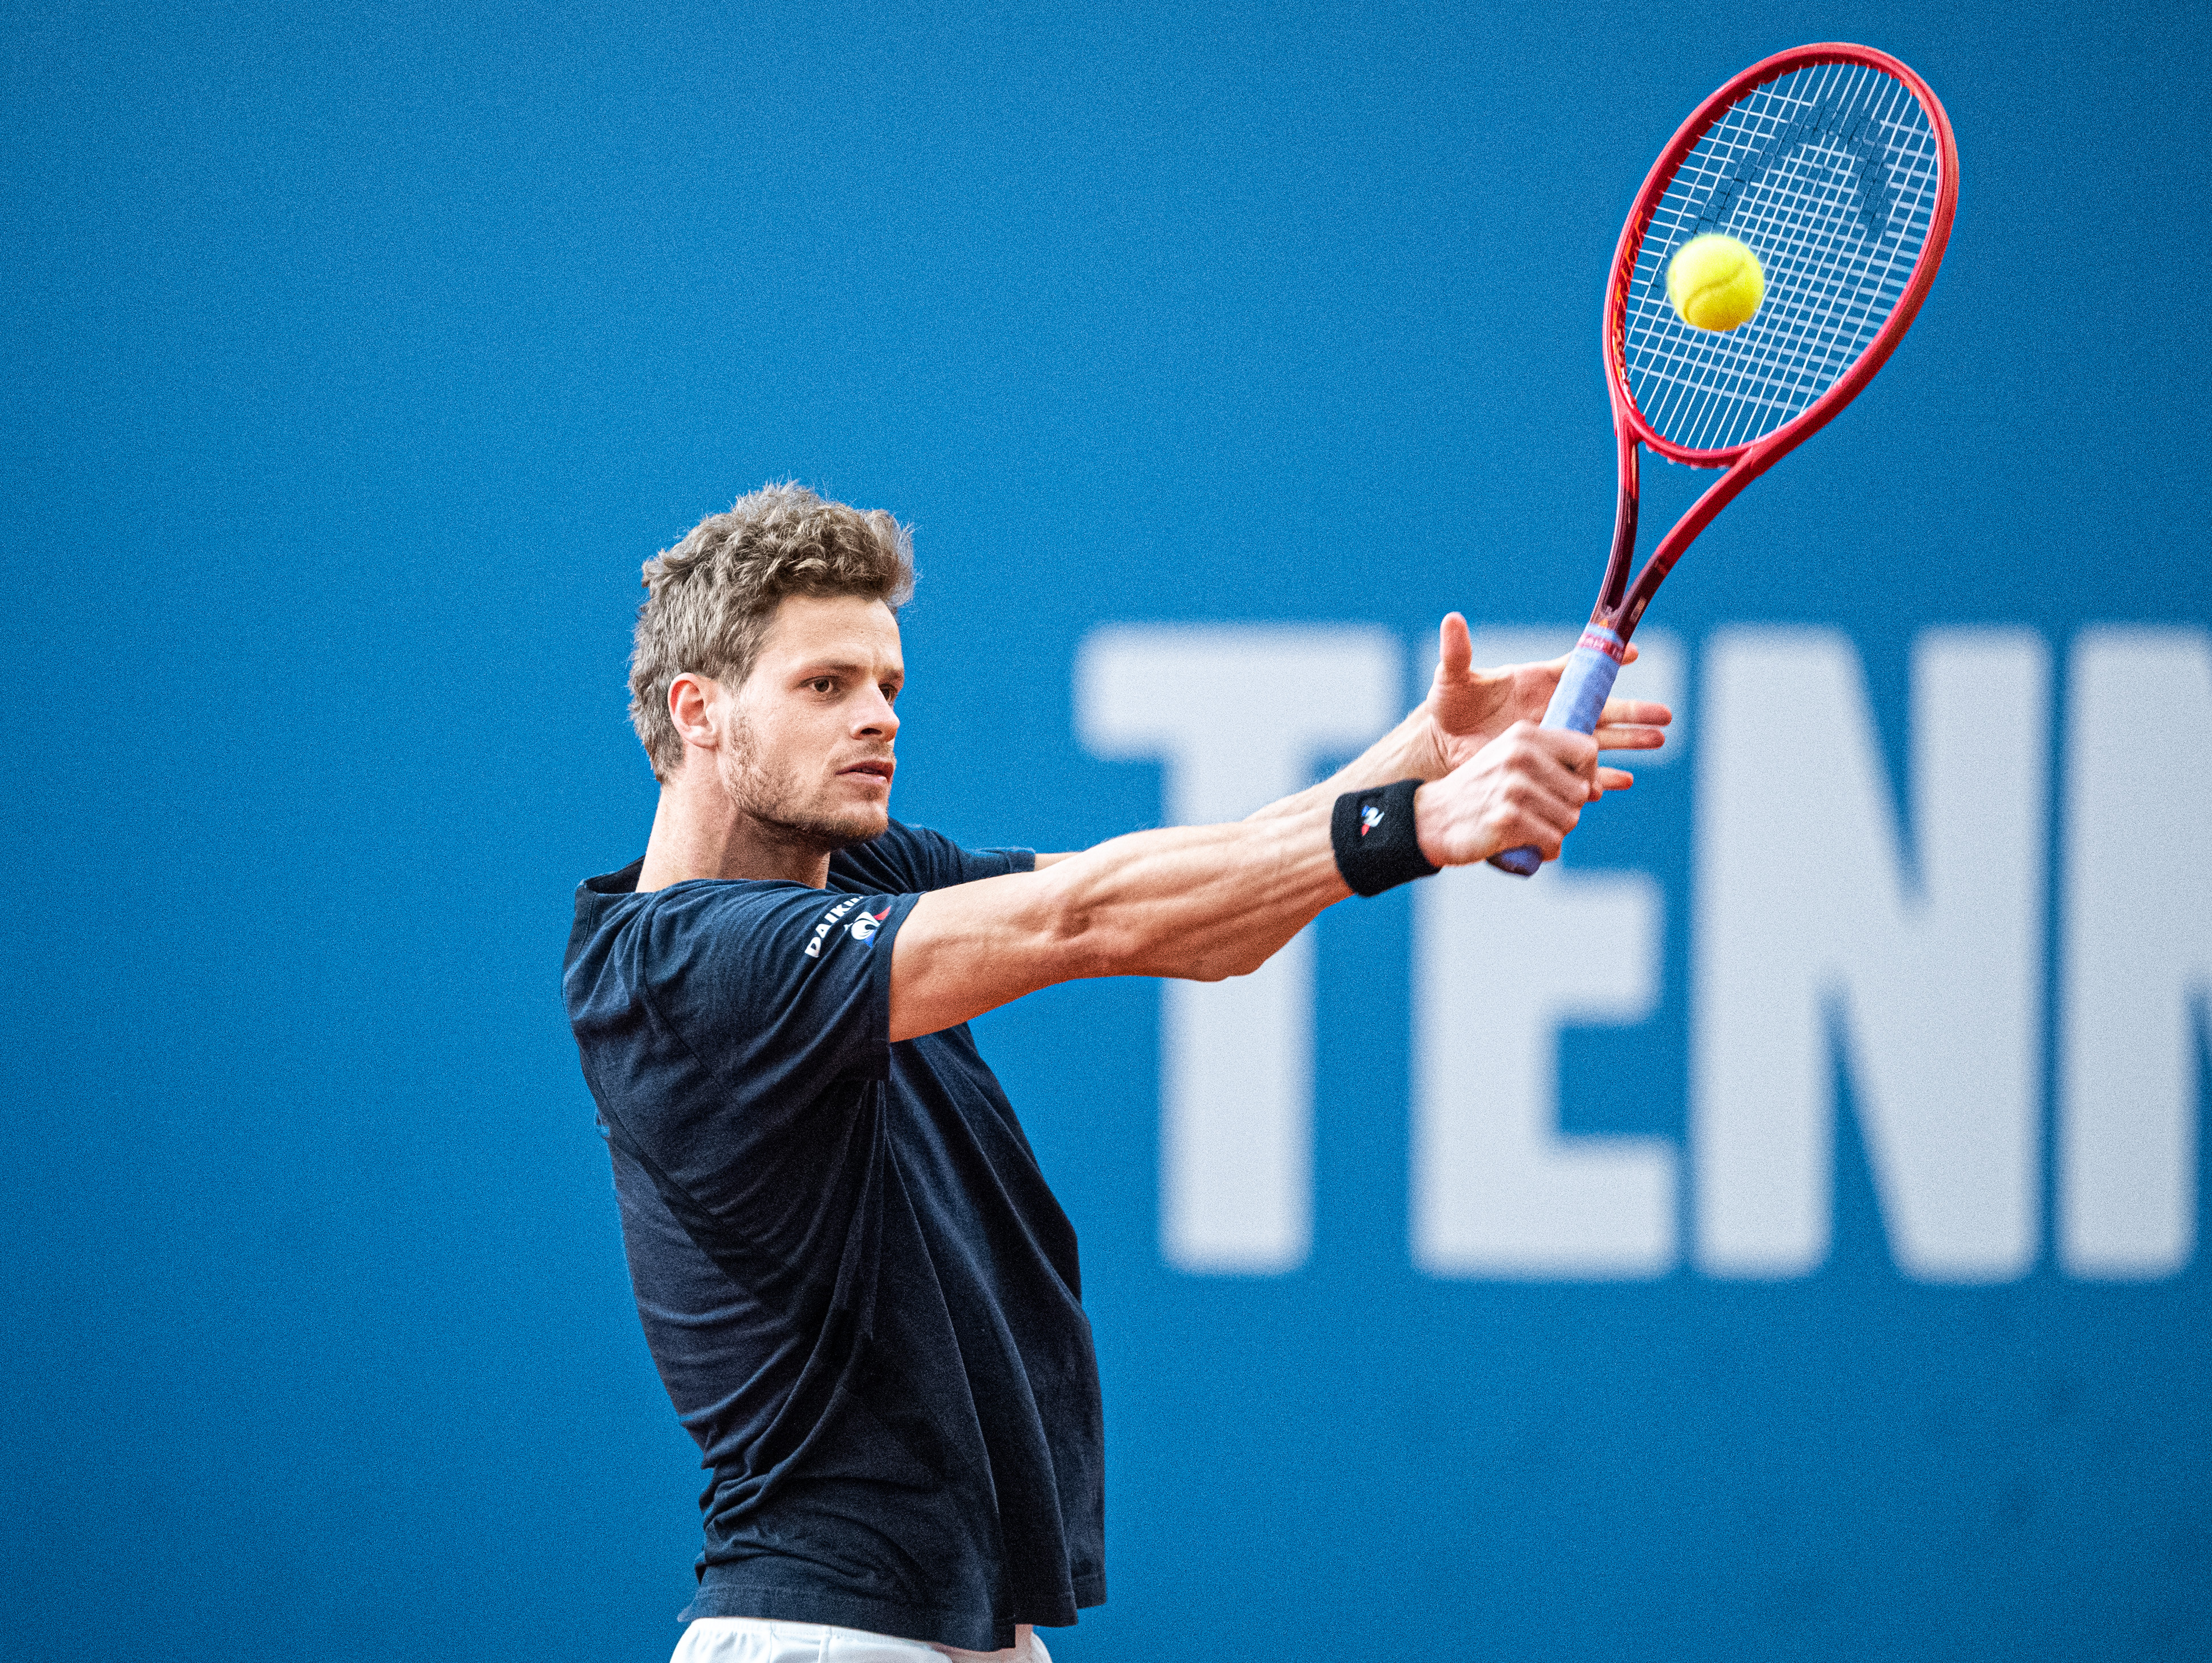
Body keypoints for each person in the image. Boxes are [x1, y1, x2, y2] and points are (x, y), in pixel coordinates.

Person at [563, 483, 1669, 1663]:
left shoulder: (863, 876)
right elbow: (1080, 920)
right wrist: (1408, 824)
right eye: (825, 686)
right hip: (825, 1634)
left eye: (888, 684)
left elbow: (1195, 913)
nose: (878, 716)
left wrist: (1419, 761)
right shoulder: (677, 968)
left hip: (957, 1631)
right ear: (699, 711)